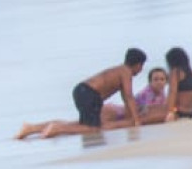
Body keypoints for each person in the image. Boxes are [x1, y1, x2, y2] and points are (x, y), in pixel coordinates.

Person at [16, 49, 147, 139]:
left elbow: (125, 97)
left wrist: (131, 116)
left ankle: (31, 128)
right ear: (138, 64)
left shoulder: (118, 71)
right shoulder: (126, 72)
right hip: (90, 94)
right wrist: (136, 120)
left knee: (80, 123)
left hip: (81, 90)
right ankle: (57, 128)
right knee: (93, 128)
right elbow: (129, 96)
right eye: (141, 67)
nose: (141, 70)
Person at [103, 66, 168, 126]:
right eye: (156, 80)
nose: (159, 82)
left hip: (134, 112)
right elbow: (148, 109)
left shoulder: (161, 92)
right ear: (150, 82)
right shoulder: (148, 92)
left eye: (162, 79)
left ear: (166, 81)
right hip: (124, 112)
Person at [166, 46, 192, 119]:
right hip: (191, 112)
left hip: (178, 111)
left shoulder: (175, 72)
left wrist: (170, 111)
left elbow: (172, 92)